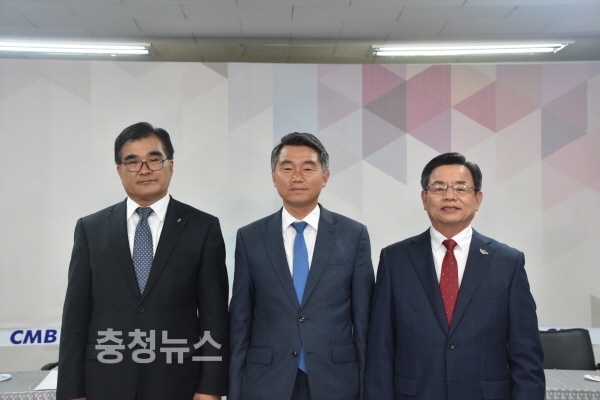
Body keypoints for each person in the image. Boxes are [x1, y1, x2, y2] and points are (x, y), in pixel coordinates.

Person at [57, 122, 229, 400]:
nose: (145, 169)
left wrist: (210, 387)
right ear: (119, 171)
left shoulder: (202, 227)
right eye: (133, 162)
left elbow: (215, 316)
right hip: (104, 381)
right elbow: (75, 316)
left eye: (154, 159)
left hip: (178, 381)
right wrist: (71, 391)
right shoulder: (91, 229)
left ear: (170, 166)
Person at [365, 152, 545, 400]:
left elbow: (526, 355)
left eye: (461, 188)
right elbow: (380, 350)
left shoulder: (508, 262)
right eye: (439, 188)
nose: (449, 196)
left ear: (477, 199)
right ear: (424, 198)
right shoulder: (394, 259)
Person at [229, 132, 374, 400]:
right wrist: (234, 391)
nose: (297, 177)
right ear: (274, 176)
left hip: (336, 381)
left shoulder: (353, 235)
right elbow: (240, 320)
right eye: (287, 168)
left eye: (308, 168)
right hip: (266, 381)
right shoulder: (250, 237)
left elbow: (364, 321)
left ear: (325, 177)